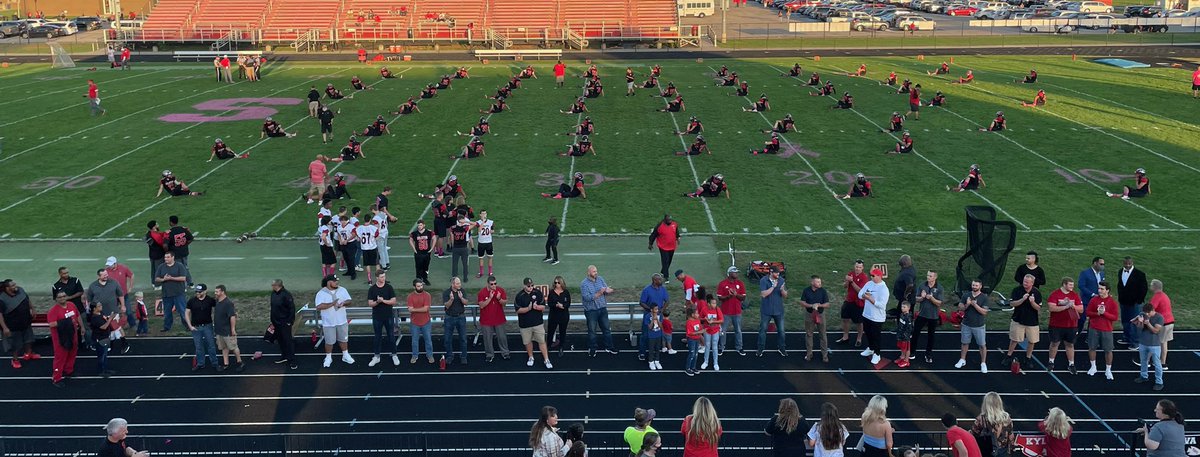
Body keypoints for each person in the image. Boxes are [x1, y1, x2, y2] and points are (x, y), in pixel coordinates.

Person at [1004, 274, 1043, 369]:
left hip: (1032, 321)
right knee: (1014, 339)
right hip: (1018, 319)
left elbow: (1039, 308)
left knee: (1032, 341)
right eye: (1024, 281)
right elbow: (1012, 303)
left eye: (1027, 282)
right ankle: (1008, 356)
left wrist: (1032, 302)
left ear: (1032, 283)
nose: (1024, 283)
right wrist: (1022, 299)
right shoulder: (1017, 290)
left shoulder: (1036, 293)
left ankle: (1028, 358)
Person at [315, 275, 354, 368]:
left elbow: (349, 300)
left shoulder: (342, 290)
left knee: (343, 339)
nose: (337, 282)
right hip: (329, 322)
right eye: (334, 281)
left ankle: (345, 355)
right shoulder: (321, 293)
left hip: (342, 320)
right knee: (329, 341)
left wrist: (344, 303)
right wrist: (332, 304)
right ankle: (328, 357)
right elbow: (319, 306)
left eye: (337, 281)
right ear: (329, 282)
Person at [1046, 278, 1083, 374]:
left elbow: (1081, 309)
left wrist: (1073, 306)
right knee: (1054, 343)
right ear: (1064, 284)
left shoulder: (1074, 295)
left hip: (1071, 325)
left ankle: (1071, 364)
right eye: (1070, 285)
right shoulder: (1055, 294)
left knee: (1070, 344)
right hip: (1056, 325)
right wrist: (1066, 306)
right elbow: (1051, 307)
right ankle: (1051, 362)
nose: (1072, 287)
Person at [515, 277, 552, 369]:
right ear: (524, 286)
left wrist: (536, 307)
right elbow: (518, 310)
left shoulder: (538, 293)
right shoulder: (519, 296)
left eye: (532, 285)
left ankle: (546, 359)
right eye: (528, 286)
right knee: (527, 342)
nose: (531, 287)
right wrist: (528, 308)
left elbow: (543, 307)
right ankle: (531, 357)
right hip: (525, 324)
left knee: (542, 341)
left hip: (537, 323)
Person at [580, 265, 617, 357]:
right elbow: (587, 298)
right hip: (591, 311)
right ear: (588, 273)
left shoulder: (600, 279)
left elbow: (605, 289)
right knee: (592, 331)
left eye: (596, 271)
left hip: (602, 309)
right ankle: (592, 348)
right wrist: (600, 292)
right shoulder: (584, 284)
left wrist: (608, 291)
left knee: (607, 329)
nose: (596, 273)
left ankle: (609, 346)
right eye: (594, 271)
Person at [46, 291, 81, 387]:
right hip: (61, 338)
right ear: (56, 299)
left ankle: (68, 370)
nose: (62, 298)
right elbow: (51, 324)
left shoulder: (71, 305)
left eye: (64, 296)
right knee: (60, 357)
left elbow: (77, 316)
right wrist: (66, 322)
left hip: (72, 335)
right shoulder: (53, 311)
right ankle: (56, 378)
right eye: (60, 297)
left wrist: (82, 327)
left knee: (72, 353)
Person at [955, 279, 990, 373]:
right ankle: (962, 359)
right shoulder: (966, 295)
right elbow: (960, 308)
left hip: (979, 325)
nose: (974, 287)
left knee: (982, 345)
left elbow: (984, 312)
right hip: (966, 324)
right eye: (973, 285)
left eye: (976, 285)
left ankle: (983, 363)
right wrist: (967, 304)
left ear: (980, 286)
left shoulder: (984, 298)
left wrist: (974, 305)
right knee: (964, 343)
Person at [1085, 281, 1118, 379]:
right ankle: (1093, 366)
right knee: (1092, 348)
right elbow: (1088, 312)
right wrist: (1097, 314)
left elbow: (1115, 317)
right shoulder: (1094, 300)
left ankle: (1108, 370)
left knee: (1108, 350)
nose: (1099, 290)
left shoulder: (1112, 302)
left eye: (1102, 289)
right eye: (1099, 288)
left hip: (1106, 329)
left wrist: (1104, 313)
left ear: (1107, 290)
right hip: (1093, 328)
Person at [366, 272, 399, 367]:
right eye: (381, 277)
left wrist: (383, 300)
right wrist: (377, 301)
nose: (383, 278)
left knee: (391, 335)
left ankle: (394, 355)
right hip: (377, 316)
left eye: (384, 276)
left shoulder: (389, 287)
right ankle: (376, 356)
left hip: (388, 316)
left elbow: (393, 301)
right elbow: (370, 303)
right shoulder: (372, 289)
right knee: (377, 336)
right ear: (377, 277)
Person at [1114, 256, 1148, 349]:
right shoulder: (1120, 271)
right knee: (1125, 321)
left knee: (1135, 323)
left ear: (1132, 263)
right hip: (1123, 302)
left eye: (1129, 263)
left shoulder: (1140, 274)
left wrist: (1138, 301)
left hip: (1135, 304)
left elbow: (1144, 289)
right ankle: (1127, 338)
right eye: (1126, 263)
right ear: (1123, 263)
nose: (1127, 265)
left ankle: (1135, 342)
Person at [755, 266, 789, 357]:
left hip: (779, 310)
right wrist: (773, 287)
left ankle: (782, 348)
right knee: (763, 330)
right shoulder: (763, 280)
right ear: (771, 272)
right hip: (766, 310)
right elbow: (763, 294)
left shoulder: (781, 280)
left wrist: (782, 290)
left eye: (779, 273)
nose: (778, 274)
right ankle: (760, 348)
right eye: (776, 273)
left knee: (781, 331)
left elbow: (785, 295)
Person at [858, 269, 889, 365]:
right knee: (867, 333)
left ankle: (877, 353)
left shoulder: (884, 289)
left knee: (876, 336)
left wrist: (871, 299)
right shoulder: (869, 284)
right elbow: (860, 294)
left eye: (874, 276)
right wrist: (864, 295)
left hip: (877, 317)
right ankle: (871, 348)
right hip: (867, 314)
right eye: (871, 275)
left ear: (879, 276)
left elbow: (882, 305)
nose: (872, 277)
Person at [911, 271, 943, 364]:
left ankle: (928, 354)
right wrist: (922, 297)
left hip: (933, 316)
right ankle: (912, 352)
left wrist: (931, 298)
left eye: (930, 276)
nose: (928, 277)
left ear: (935, 277)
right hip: (922, 314)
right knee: (915, 333)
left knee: (931, 336)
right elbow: (916, 299)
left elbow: (939, 303)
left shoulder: (939, 288)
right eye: (927, 275)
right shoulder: (922, 285)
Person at [185, 284, 218, 371]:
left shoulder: (210, 300)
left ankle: (214, 363)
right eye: (196, 292)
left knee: (211, 345)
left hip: (207, 326)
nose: (197, 293)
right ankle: (200, 363)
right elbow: (186, 313)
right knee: (198, 346)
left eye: (199, 292)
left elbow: (219, 308)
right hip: (196, 327)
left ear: (205, 291)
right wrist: (190, 326)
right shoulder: (191, 301)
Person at [477, 275, 510, 362]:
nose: (494, 286)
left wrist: (499, 298)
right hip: (486, 320)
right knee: (487, 338)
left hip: (499, 319)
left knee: (502, 337)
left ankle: (505, 352)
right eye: (491, 284)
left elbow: (504, 303)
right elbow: (481, 305)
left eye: (495, 283)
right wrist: (490, 298)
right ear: (487, 284)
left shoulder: (500, 290)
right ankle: (489, 354)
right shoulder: (482, 292)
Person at [638, 273, 669, 362]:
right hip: (649, 315)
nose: (661, 281)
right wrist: (651, 310)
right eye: (659, 280)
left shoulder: (663, 289)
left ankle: (655, 353)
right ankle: (642, 352)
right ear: (654, 280)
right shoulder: (647, 290)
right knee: (645, 334)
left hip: (659, 315)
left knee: (658, 332)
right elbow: (641, 302)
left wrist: (662, 309)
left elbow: (667, 301)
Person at [155, 252, 190, 332]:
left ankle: (187, 325)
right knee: (167, 312)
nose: (166, 259)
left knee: (182, 310)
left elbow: (183, 278)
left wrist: (171, 278)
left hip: (178, 293)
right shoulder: (161, 267)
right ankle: (167, 327)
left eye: (168, 257)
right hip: (166, 294)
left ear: (173, 257)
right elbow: (156, 279)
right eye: (165, 257)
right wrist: (163, 279)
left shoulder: (179, 266)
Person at [1133, 302, 1165, 390]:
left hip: (1154, 344)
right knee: (1143, 361)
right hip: (1143, 342)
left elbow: (1155, 331)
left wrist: (1148, 323)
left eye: (1148, 313)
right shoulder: (1142, 314)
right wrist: (1139, 322)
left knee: (1157, 363)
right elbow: (1139, 327)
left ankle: (1159, 382)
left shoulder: (1159, 317)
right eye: (1145, 313)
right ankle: (1143, 376)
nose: (1147, 315)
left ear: (1153, 310)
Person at [212, 285, 243, 372]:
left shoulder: (228, 303)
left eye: (217, 291)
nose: (215, 293)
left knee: (233, 347)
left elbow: (232, 317)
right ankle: (226, 364)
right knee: (224, 348)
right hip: (219, 330)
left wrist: (233, 329)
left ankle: (240, 362)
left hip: (227, 330)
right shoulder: (217, 301)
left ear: (222, 292)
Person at [972, 392, 1014, 457]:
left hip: (986, 451)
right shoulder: (1007, 418)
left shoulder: (981, 419)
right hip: (1003, 451)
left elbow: (973, 435)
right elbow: (1011, 438)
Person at [716, 267, 746, 356]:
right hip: (725, 312)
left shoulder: (740, 283)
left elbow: (743, 297)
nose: (737, 274)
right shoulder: (722, 284)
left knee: (738, 330)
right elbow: (720, 297)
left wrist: (736, 295)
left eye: (737, 272)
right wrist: (728, 296)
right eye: (735, 272)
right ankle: (721, 347)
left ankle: (739, 347)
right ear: (729, 273)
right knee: (723, 331)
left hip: (737, 311)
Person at [267, 279, 297, 369]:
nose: (272, 286)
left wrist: (289, 321)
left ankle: (292, 360)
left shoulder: (286, 295)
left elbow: (292, 309)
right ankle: (284, 356)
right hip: (276, 322)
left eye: (273, 285)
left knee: (288, 341)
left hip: (284, 322)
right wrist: (272, 321)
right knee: (280, 340)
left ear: (278, 285)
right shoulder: (273, 293)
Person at [800, 275, 830, 362]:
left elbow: (827, 304)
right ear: (812, 282)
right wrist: (811, 306)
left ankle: (824, 355)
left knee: (823, 335)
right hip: (809, 314)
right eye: (817, 282)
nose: (820, 283)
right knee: (809, 334)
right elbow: (802, 302)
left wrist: (819, 305)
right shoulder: (806, 291)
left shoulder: (823, 291)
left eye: (820, 282)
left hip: (820, 314)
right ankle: (809, 354)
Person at [838, 260, 867, 347]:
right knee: (845, 319)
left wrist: (852, 282)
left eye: (859, 267)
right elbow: (845, 286)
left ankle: (859, 338)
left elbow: (860, 291)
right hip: (849, 300)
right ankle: (845, 336)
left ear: (862, 268)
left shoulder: (864, 277)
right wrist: (847, 281)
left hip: (858, 302)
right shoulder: (851, 274)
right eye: (856, 267)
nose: (857, 269)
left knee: (859, 322)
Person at [442, 277, 469, 364]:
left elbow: (466, 303)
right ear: (453, 284)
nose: (459, 285)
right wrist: (451, 299)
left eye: (459, 283)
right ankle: (449, 356)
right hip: (449, 318)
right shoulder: (446, 293)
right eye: (457, 283)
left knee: (463, 338)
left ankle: (464, 356)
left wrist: (461, 298)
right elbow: (446, 305)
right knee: (447, 339)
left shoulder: (462, 291)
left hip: (461, 317)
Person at [1147, 280, 1173, 369]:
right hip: (1169, 322)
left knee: (1153, 342)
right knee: (1164, 343)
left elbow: (1150, 309)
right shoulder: (1164, 295)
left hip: (1162, 323)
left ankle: (1146, 361)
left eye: (1151, 285)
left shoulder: (1157, 297)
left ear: (1154, 287)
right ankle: (1162, 362)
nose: (1149, 286)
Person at [1076, 257, 1105, 335]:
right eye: (1101, 264)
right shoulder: (1085, 273)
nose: (1103, 266)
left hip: (1097, 301)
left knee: (1094, 319)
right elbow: (1081, 285)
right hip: (1086, 300)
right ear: (1095, 263)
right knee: (1082, 319)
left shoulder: (1102, 274)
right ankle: (1076, 333)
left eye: (1103, 264)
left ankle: (1090, 336)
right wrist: (1092, 294)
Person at [648, 215, 680, 281]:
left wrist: (678, 238)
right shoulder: (660, 226)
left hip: (672, 246)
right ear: (665, 220)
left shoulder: (674, 224)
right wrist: (650, 244)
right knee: (665, 261)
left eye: (671, 220)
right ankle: (666, 276)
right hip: (663, 247)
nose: (670, 221)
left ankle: (663, 271)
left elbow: (676, 232)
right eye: (668, 220)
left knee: (669, 260)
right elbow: (653, 235)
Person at [546, 276, 571, 351]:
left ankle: (561, 347)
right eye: (555, 282)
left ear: (562, 283)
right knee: (550, 331)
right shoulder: (551, 292)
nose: (557, 284)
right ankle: (548, 346)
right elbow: (549, 303)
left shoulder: (566, 292)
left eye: (558, 282)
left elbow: (568, 303)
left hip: (564, 316)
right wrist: (556, 305)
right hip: (553, 316)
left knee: (562, 332)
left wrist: (563, 306)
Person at [699, 295, 723, 371]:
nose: (714, 305)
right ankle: (706, 361)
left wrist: (713, 321)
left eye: (715, 303)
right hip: (707, 330)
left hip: (715, 330)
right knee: (707, 346)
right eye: (713, 303)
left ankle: (715, 363)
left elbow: (721, 320)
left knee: (715, 347)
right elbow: (700, 318)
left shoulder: (717, 309)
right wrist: (705, 319)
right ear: (708, 304)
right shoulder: (704, 309)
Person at [409, 220, 436, 285]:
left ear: (424, 225)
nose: (419, 226)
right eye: (418, 225)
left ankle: (425, 278)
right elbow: (410, 240)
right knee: (418, 267)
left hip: (427, 253)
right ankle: (418, 279)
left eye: (420, 225)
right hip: (418, 253)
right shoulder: (414, 233)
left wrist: (432, 248)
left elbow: (434, 238)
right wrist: (414, 249)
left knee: (426, 267)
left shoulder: (429, 232)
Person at [894, 301, 914, 368]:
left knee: (907, 348)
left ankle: (906, 360)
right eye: (902, 307)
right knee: (902, 348)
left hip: (906, 336)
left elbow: (910, 328)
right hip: (900, 335)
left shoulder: (909, 318)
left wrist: (908, 335)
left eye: (904, 307)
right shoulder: (902, 315)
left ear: (908, 308)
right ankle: (902, 357)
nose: (902, 308)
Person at [684, 306, 703, 376]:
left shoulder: (697, 320)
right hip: (691, 340)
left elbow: (700, 328)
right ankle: (688, 368)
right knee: (691, 353)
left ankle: (693, 367)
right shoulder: (689, 322)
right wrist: (699, 332)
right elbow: (689, 333)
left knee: (696, 354)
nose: (698, 315)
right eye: (697, 313)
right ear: (692, 315)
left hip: (697, 339)